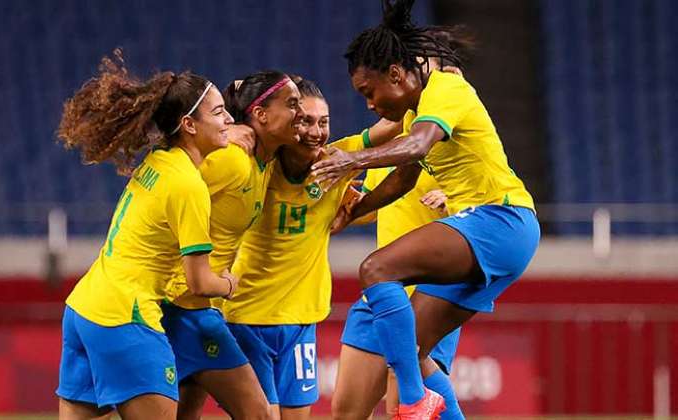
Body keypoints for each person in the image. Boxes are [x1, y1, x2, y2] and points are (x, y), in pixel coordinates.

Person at [311, 1, 540, 418]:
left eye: (369, 92)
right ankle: (425, 401)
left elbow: (415, 146)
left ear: (396, 75)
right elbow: (404, 177)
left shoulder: (445, 91)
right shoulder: (419, 111)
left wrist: (351, 160)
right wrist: (358, 205)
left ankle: (414, 401)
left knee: (375, 269)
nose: (369, 104)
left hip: (500, 220)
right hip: (491, 235)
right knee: (412, 350)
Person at [55, 49, 236, 420]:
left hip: (84, 309)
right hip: (124, 316)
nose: (229, 119)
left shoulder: (158, 161)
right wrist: (229, 284)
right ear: (188, 125)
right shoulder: (188, 185)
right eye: (219, 112)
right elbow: (199, 282)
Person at [223, 77, 401, 420]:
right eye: (305, 120)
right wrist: (233, 131)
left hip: (301, 322)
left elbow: (394, 126)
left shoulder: (338, 161)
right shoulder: (259, 164)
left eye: (324, 122)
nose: (317, 132)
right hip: (246, 317)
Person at [161, 70, 304, 420]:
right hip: (179, 305)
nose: (300, 113)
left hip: (198, 305)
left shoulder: (264, 163)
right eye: (292, 104)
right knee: (260, 414)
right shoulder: (231, 160)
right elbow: (171, 186)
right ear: (261, 114)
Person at [332, 166, 462, 420]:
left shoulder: (460, 149)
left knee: (404, 413)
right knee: (346, 414)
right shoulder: (388, 154)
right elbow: (368, 211)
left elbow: (492, 210)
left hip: (428, 299)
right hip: (379, 295)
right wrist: (344, 202)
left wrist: (456, 202)